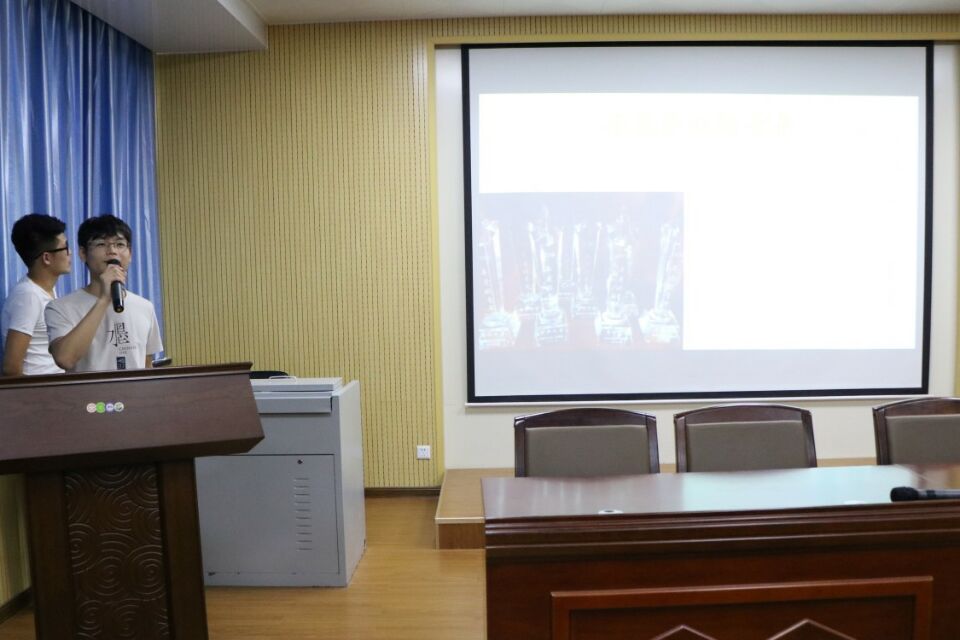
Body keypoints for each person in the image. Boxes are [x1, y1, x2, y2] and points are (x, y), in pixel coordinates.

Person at [45, 214, 162, 372]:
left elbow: (146, 365)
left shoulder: (145, 307)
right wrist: (104, 300)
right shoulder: (60, 308)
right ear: (83, 253)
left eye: (120, 244)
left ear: (130, 253)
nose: (112, 251)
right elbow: (65, 360)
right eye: (101, 244)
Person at [0, 214, 72, 375]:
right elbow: (11, 368)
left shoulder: (46, 290)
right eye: (65, 247)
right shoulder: (28, 296)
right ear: (47, 258)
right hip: (39, 389)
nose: (70, 252)